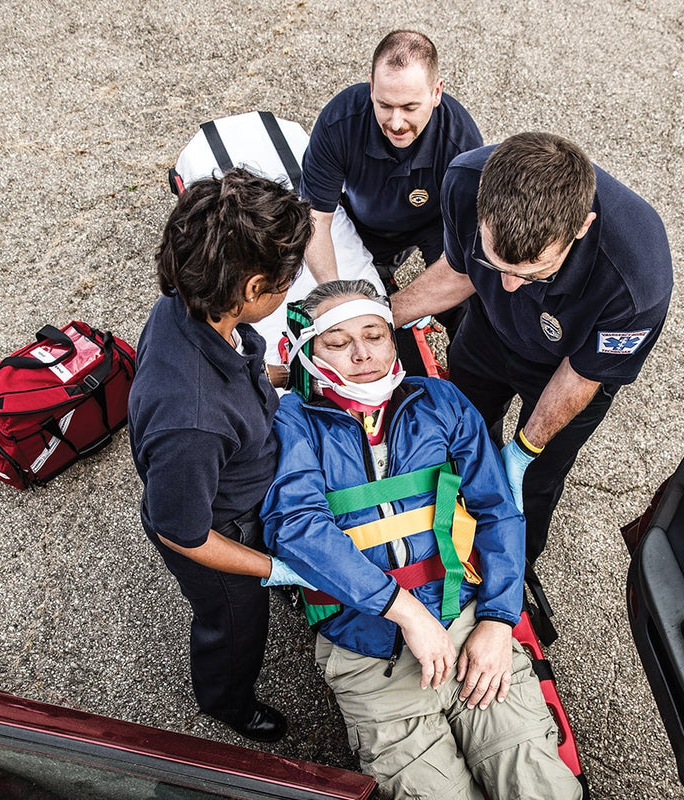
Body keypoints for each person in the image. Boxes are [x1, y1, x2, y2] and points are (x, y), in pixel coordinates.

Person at [261, 280, 581, 800]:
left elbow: (496, 511)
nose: (362, 354)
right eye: (338, 343)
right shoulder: (290, 422)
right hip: (367, 645)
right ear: (304, 351)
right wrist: (405, 612)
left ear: (394, 339)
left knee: (538, 783)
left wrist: (500, 622)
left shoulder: (441, 402)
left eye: (375, 335)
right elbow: (296, 528)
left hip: (466, 618)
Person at [391, 132, 673, 563]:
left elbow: (583, 374)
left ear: (580, 227)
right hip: (488, 332)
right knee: (460, 433)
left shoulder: (637, 279)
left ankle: (514, 569)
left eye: (533, 273)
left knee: (534, 482)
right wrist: (375, 317)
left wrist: (524, 449)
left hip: (567, 370)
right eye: (496, 263)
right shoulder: (465, 182)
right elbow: (457, 272)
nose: (507, 285)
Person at [128, 168, 313, 742]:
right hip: (221, 532)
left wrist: (287, 375)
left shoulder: (185, 303)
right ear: (253, 289)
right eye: (287, 281)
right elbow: (182, 532)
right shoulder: (193, 422)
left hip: (239, 493)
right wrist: (273, 568)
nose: (291, 288)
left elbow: (240, 373)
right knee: (235, 627)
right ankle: (227, 700)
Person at [299, 29, 482, 342]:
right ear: (371, 89)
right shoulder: (337, 123)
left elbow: (469, 260)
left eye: (410, 107)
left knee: (468, 309)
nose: (396, 123)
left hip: (437, 222)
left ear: (436, 93)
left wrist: (398, 308)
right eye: (385, 105)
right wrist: (335, 299)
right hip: (364, 216)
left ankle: (464, 377)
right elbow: (316, 220)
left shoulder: (462, 146)